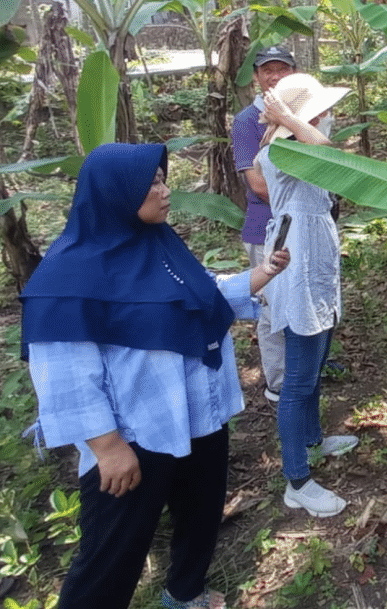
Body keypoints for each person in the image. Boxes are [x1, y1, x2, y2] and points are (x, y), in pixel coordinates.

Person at [21, 143, 291, 609]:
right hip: (136, 434)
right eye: (153, 184)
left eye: (165, 180)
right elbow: (65, 374)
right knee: (111, 551)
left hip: (198, 415)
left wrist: (262, 273)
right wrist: (106, 447)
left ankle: (185, 593)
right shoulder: (67, 276)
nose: (166, 192)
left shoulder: (159, 245)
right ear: (117, 193)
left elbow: (200, 294)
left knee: (200, 515)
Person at [257, 73, 359, 517]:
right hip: (296, 268)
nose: (328, 118)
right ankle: (296, 478)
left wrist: (292, 120)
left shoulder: (296, 143)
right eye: (319, 113)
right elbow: (332, 158)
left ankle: (314, 440)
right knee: (298, 380)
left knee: (315, 364)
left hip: (314, 264)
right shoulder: (282, 150)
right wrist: (286, 120)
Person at [232, 44, 297, 402]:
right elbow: (257, 185)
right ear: (256, 77)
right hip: (266, 228)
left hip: (299, 226)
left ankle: (303, 366)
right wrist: (305, 201)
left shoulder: (302, 115)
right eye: (267, 70)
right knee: (271, 308)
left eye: (281, 69)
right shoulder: (247, 122)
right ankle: (279, 385)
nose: (274, 76)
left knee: (298, 296)